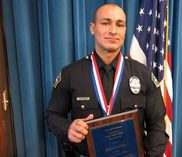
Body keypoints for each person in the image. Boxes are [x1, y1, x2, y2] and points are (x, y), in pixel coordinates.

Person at [46, 3, 169, 157]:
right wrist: (68, 129)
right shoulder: (71, 74)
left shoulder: (143, 75)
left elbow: (157, 124)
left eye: (120, 25)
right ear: (92, 28)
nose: (113, 31)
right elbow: (53, 115)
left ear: (124, 31)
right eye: (105, 23)